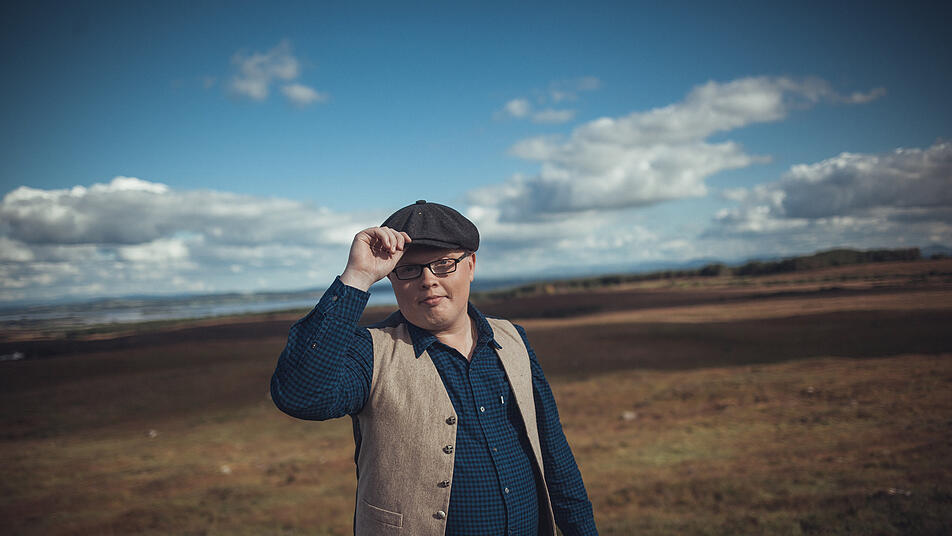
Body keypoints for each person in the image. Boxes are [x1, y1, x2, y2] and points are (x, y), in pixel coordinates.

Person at [271, 200, 598, 536]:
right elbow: (301, 396)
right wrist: (357, 277)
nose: (428, 280)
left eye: (443, 264)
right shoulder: (370, 351)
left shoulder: (513, 338)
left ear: (471, 266)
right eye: (409, 270)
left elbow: (554, 453)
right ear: (391, 278)